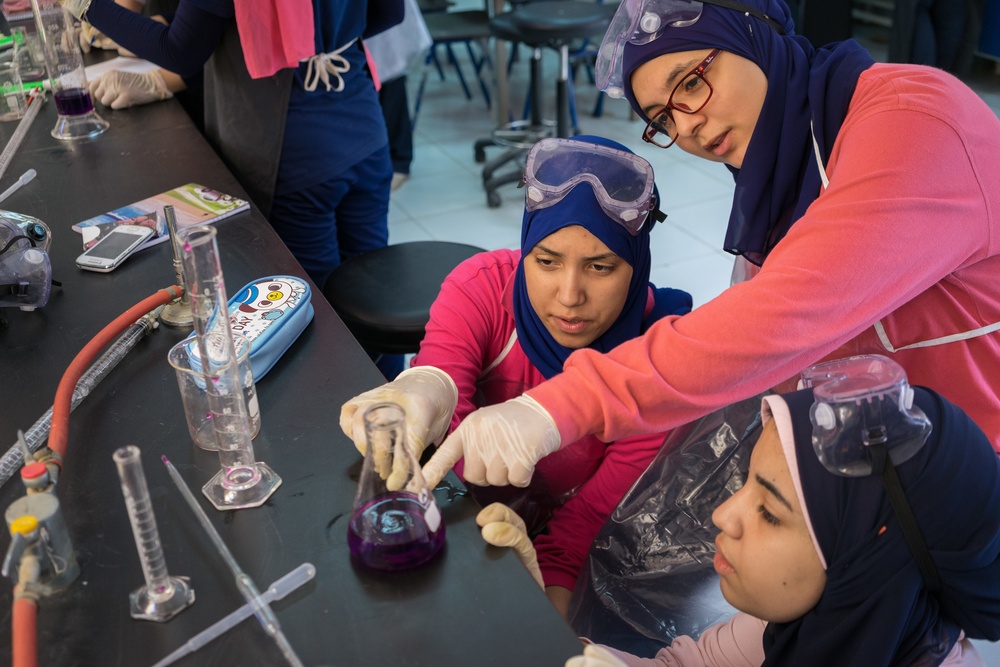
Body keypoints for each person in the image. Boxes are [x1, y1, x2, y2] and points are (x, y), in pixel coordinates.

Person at [418, 0, 1000, 495]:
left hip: (958, 472)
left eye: (691, 83)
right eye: (664, 118)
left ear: (750, 31)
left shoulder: (916, 120)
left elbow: (777, 318)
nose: (689, 126)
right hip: (868, 457)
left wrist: (558, 405)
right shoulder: (787, 176)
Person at [340, 135, 692, 614]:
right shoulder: (483, 288)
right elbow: (443, 390)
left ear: (637, 266)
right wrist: (425, 387)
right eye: (546, 262)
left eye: (601, 266)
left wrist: (545, 623)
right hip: (463, 520)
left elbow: (584, 524)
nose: (569, 295)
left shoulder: (657, 363)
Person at [554, 354, 1000, 665]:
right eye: (746, 483)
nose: (722, 515)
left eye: (769, 513)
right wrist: (551, 641)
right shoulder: (791, 625)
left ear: (862, 562)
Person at [72, 0, 402, 295]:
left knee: (316, 302)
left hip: (290, 147)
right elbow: (389, 12)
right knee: (375, 290)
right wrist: (318, 38)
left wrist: (86, 5)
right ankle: (397, 367)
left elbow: (181, 52)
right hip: (362, 123)